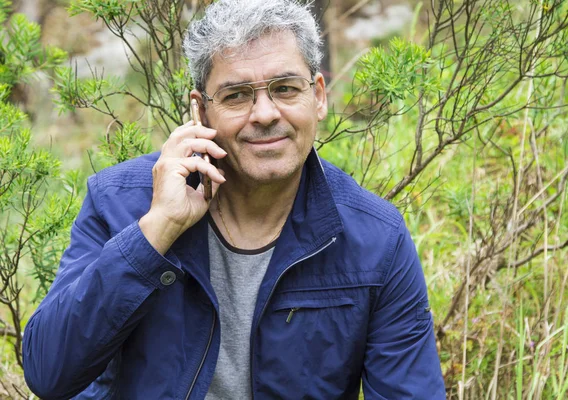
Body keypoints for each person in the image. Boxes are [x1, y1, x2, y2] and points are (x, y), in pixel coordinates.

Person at [22, 0, 445, 398]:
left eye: (284, 88)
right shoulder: (121, 204)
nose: (264, 114)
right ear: (200, 111)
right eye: (237, 95)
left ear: (317, 95)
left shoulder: (376, 240)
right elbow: (48, 372)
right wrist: (156, 231)